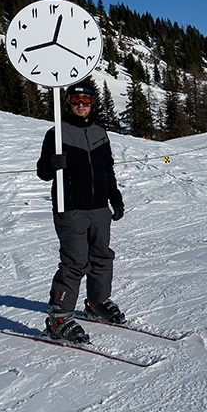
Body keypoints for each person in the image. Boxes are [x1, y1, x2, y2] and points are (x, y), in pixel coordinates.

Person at [36, 80, 126, 342]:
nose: (81, 106)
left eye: (86, 102)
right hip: (71, 207)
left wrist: (115, 198)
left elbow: (107, 170)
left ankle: (97, 303)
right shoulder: (57, 133)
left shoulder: (100, 132)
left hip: (99, 207)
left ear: (93, 104)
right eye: (76, 101)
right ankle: (59, 318)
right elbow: (42, 172)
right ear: (68, 103)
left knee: (101, 256)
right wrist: (51, 164)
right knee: (75, 262)